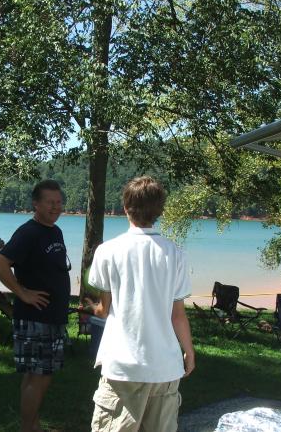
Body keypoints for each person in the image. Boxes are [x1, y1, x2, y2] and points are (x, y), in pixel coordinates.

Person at [84, 176, 195, 432]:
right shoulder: (175, 253)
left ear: (125, 207)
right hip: (165, 366)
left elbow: (105, 308)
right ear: (160, 211)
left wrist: (94, 308)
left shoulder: (107, 251)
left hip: (123, 366)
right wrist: (188, 351)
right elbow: (177, 314)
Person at [0, 180, 70, 432]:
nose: (55, 207)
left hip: (50, 317)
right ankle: (28, 428)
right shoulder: (29, 232)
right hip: (36, 318)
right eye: (50, 202)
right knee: (39, 377)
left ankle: (32, 424)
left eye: (59, 202)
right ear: (36, 204)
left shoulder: (54, 231)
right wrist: (23, 293)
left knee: (36, 376)